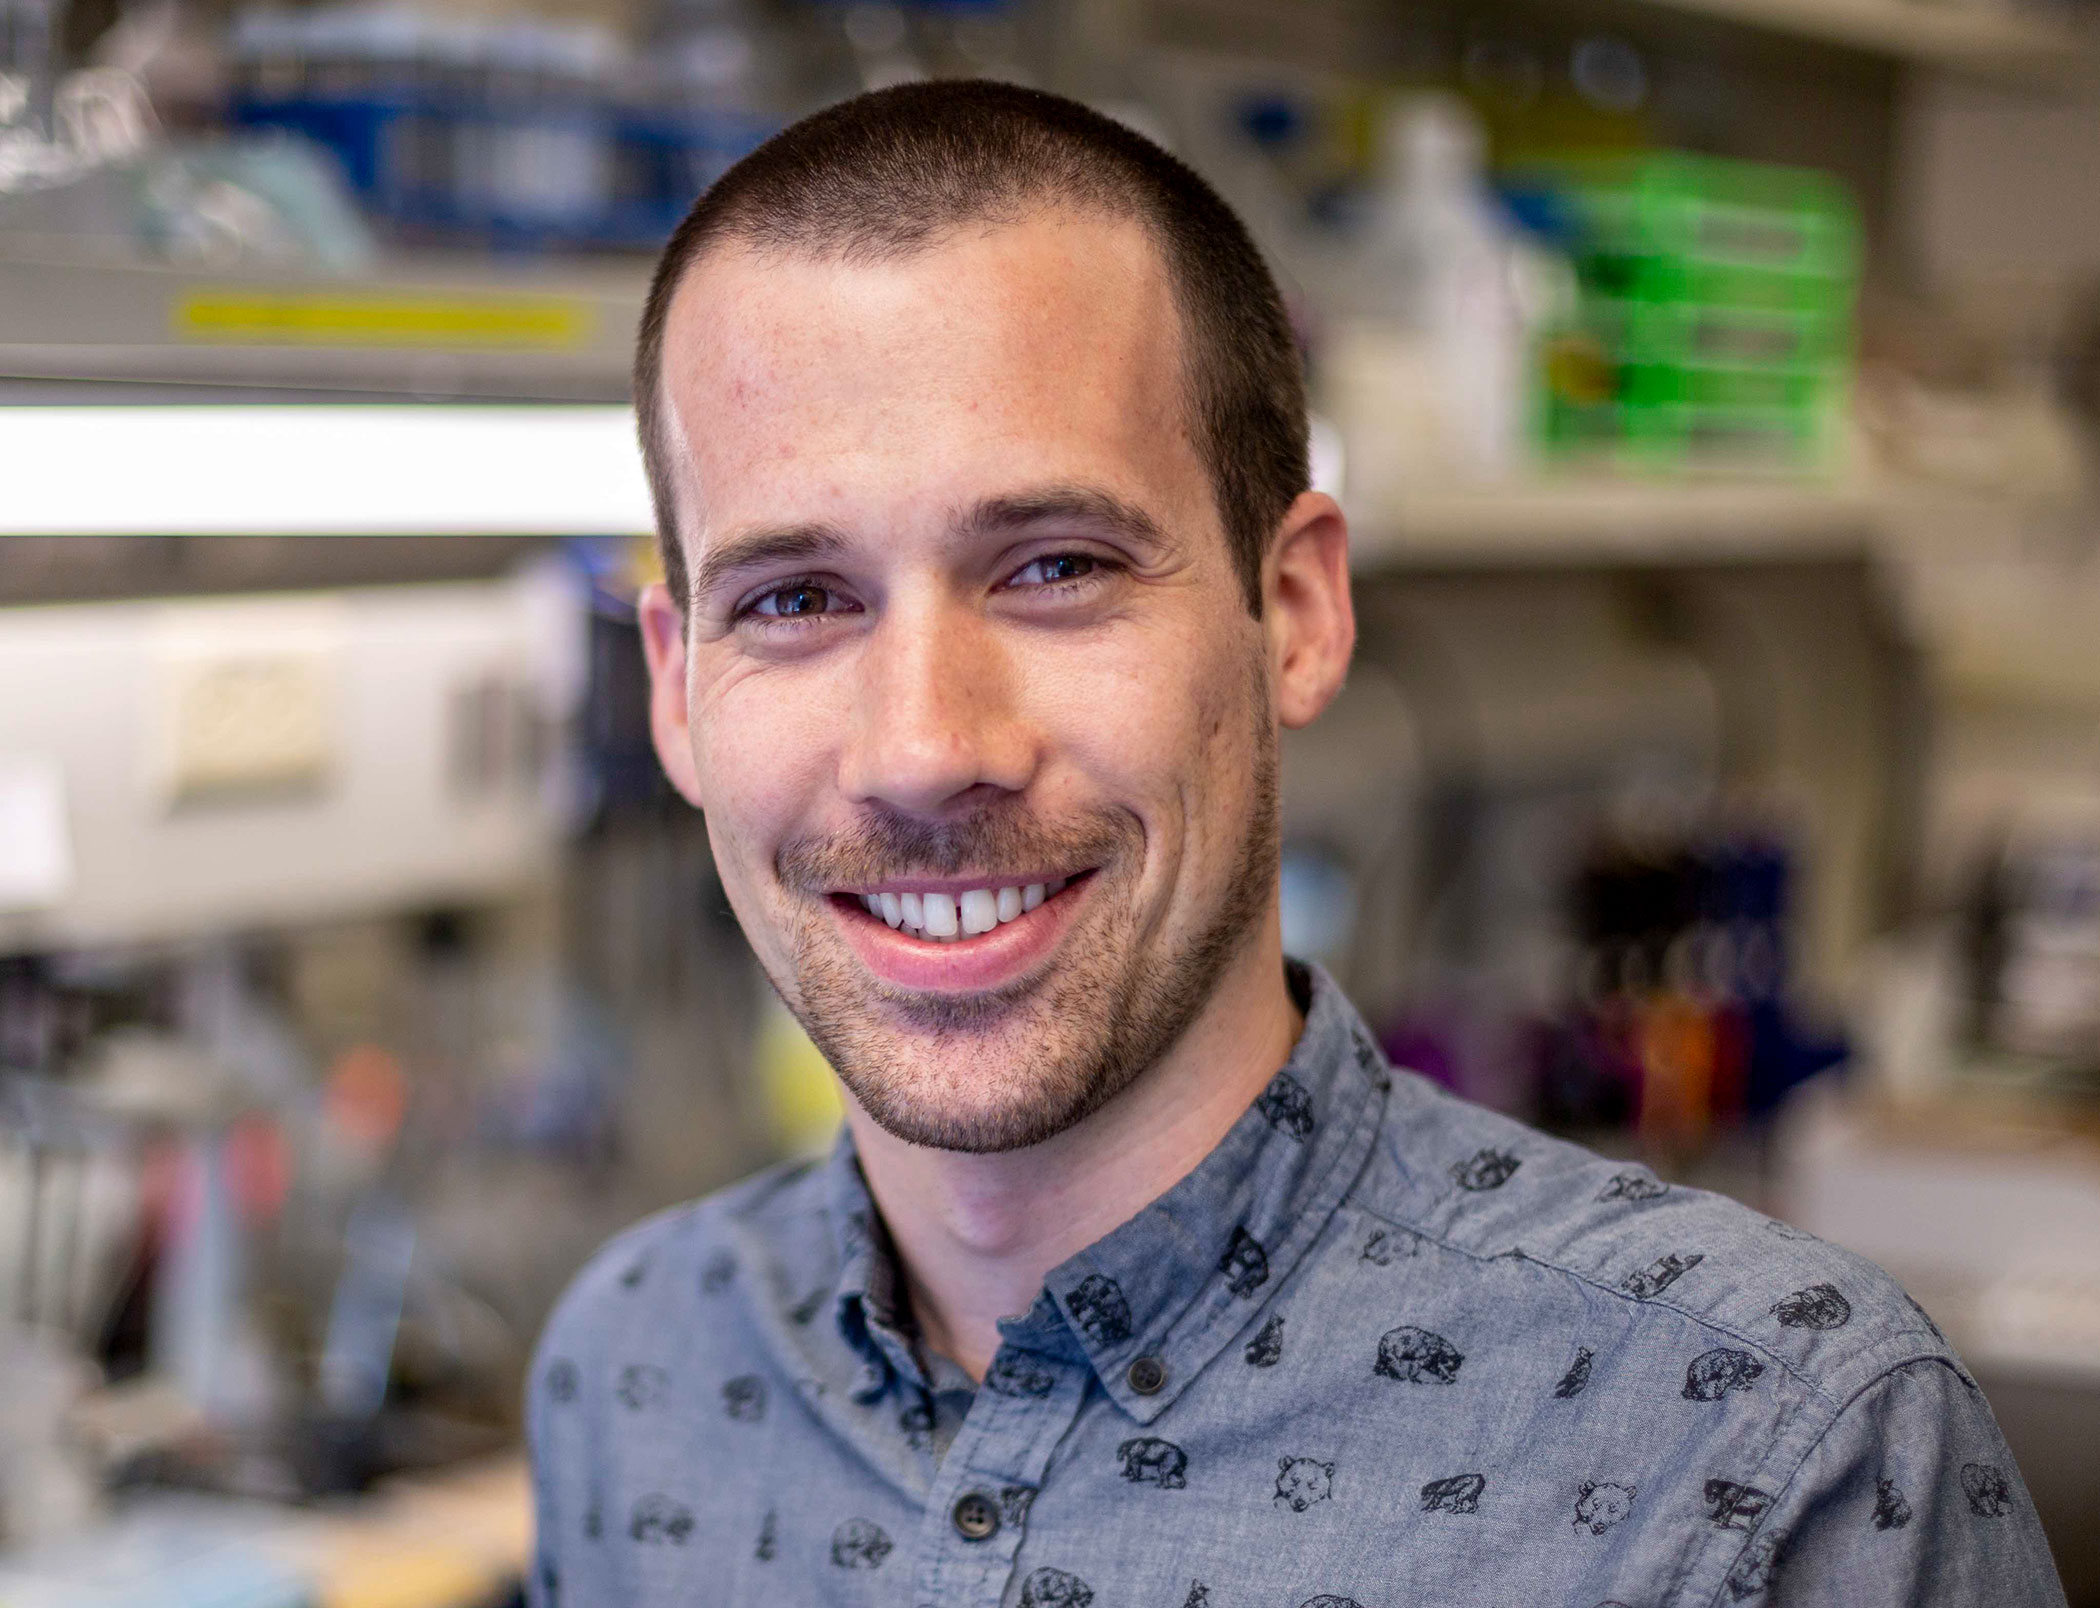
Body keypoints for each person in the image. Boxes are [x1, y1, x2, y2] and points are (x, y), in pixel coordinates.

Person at [528, 80, 2066, 1608]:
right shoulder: (639, 1367)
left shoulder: (1773, 1451)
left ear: (1301, 615)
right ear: (674, 686)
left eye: (1055, 566)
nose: (928, 749)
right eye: (794, 600)